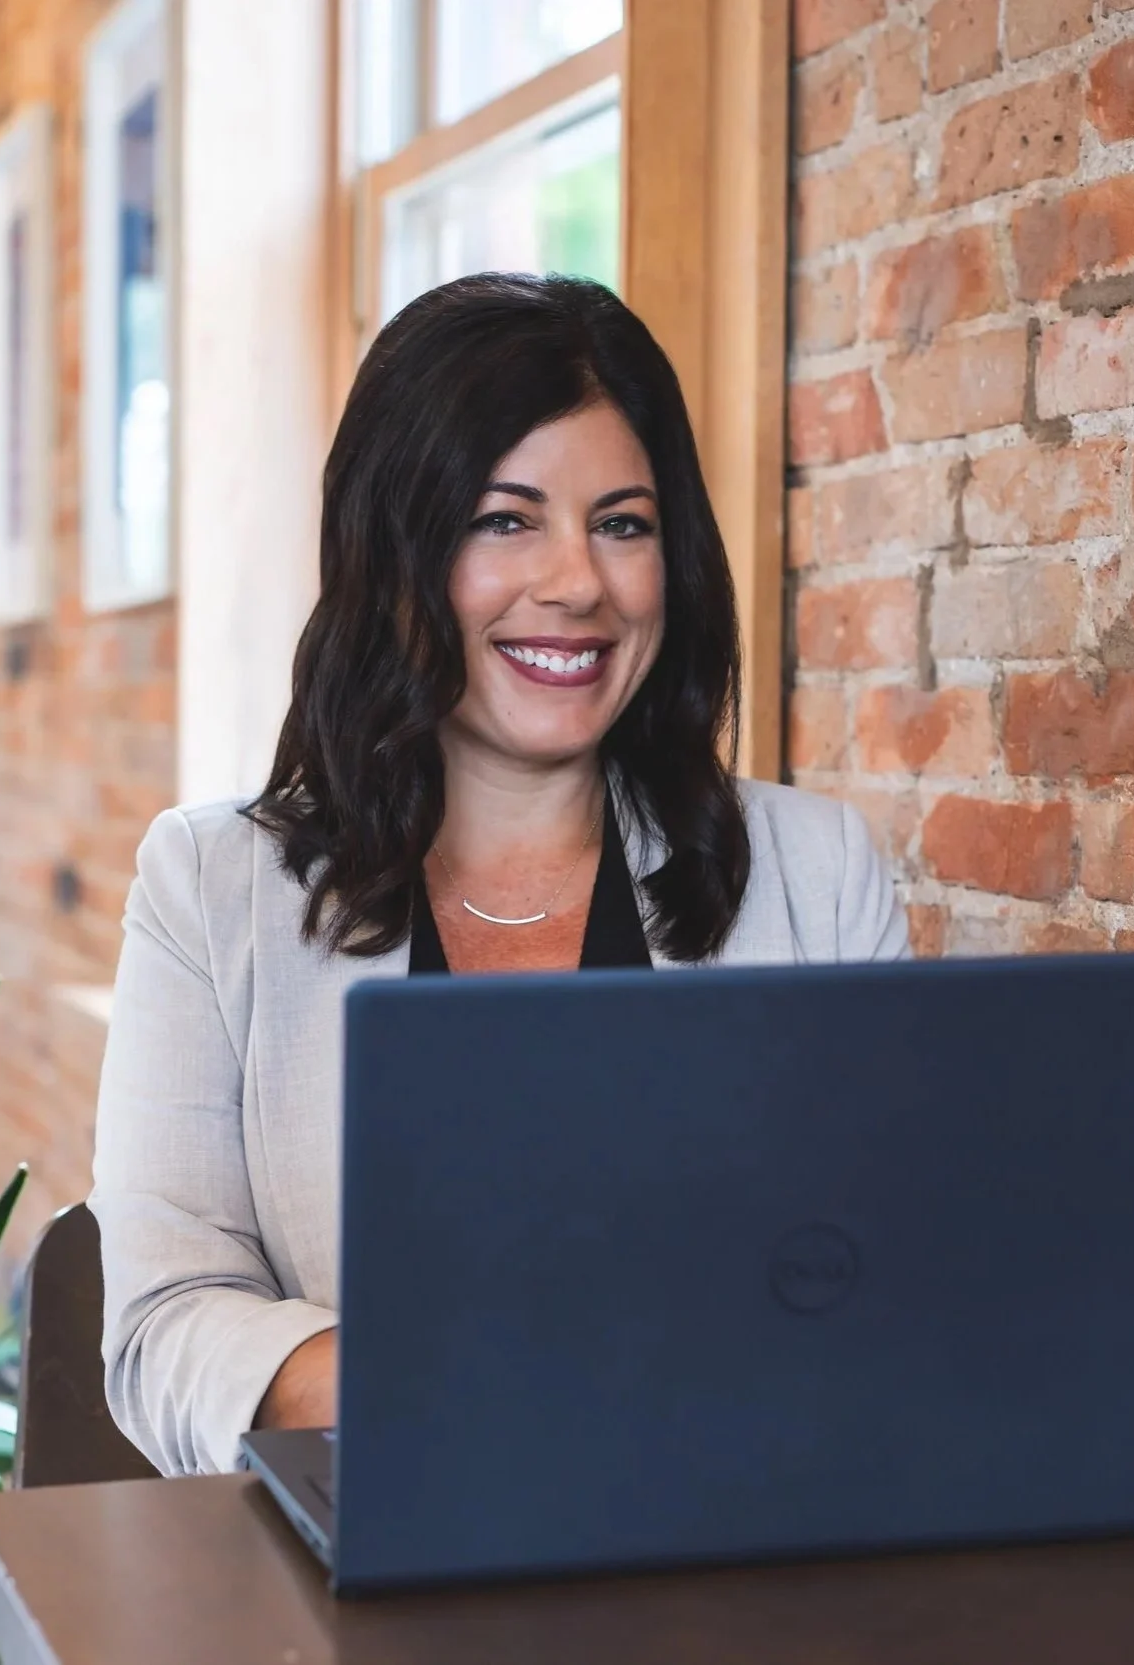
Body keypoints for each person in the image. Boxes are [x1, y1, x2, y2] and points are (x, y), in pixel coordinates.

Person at [91, 273, 909, 1477]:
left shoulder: (817, 872)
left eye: (622, 523)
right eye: (504, 518)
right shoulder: (207, 886)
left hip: (731, 1559)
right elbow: (164, 1327)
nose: (577, 580)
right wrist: (471, 1393)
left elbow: (889, 1282)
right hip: (365, 1575)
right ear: (394, 549)